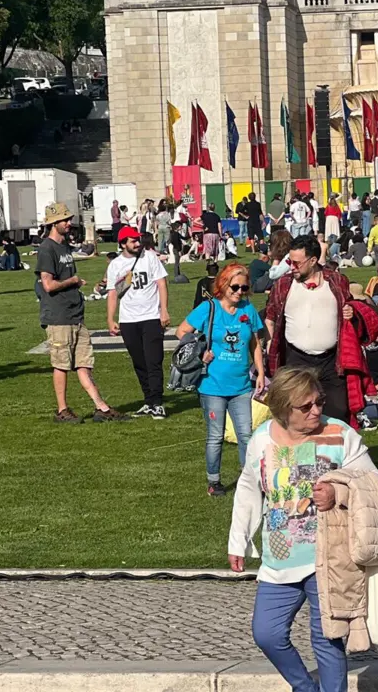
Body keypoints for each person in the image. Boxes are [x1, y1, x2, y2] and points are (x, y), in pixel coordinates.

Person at [227, 366, 373, 692]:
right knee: (267, 634)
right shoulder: (262, 438)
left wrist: (337, 495)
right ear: (280, 410)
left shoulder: (341, 434)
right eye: (304, 406)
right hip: (279, 557)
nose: (315, 410)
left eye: (319, 401)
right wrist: (239, 539)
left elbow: (372, 485)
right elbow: (249, 485)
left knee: (327, 638)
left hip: (329, 558)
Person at [177, 263, 266, 496]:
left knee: (246, 434)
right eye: (235, 287)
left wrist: (261, 372)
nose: (239, 292)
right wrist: (199, 351)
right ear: (223, 285)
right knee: (215, 436)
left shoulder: (248, 310)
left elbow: (255, 343)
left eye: (244, 287)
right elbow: (182, 331)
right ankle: (214, 481)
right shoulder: (209, 308)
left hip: (242, 385)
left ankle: (249, 479)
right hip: (212, 385)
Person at [35, 204, 128, 423]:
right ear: (53, 223)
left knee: (84, 363)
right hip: (58, 317)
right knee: (61, 364)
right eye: (65, 220)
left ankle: (101, 407)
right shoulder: (47, 249)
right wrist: (73, 281)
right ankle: (62, 410)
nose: (69, 223)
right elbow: (48, 285)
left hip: (75, 314)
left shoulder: (64, 246)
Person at [264, 235, 366, 425]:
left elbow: (352, 308)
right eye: (290, 262)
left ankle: (333, 452)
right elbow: (270, 318)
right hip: (296, 358)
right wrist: (271, 347)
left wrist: (351, 311)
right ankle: (302, 451)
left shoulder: (337, 281)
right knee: (296, 413)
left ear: (312, 261)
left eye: (297, 263)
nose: (292, 267)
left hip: (331, 360)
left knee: (338, 412)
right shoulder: (284, 285)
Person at [106, 226, 170, 419]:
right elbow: (112, 293)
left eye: (138, 239)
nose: (137, 243)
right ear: (123, 243)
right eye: (133, 240)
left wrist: (164, 310)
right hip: (128, 320)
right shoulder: (115, 265)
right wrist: (110, 319)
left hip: (151, 317)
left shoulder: (149, 257)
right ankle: (148, 400)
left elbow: (161, 283)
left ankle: (158, 402)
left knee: (154, 361)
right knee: (139, 362)